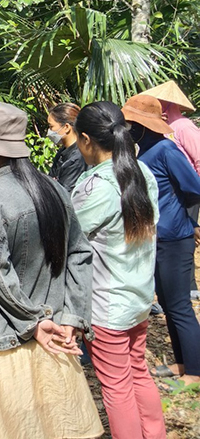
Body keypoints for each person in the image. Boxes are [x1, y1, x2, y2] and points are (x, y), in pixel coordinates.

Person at [0, 100, 102, 439]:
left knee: (13, 427)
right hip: (54, 334)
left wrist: (32, 319)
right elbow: (80, 253)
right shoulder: (55, 188)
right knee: (57, 425)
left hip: (5, 338)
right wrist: (73, 317)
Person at [72, 101, 166, 439]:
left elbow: (70, 236)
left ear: (85, 139)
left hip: (107, 307)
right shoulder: (143, 173)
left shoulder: (96, 186)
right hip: (138, 298)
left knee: (116, 386)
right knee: (138, 372)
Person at [122, 94, 200, 385]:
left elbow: (194, 187)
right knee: (168, 302)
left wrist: (187, 220)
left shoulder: (167, 149)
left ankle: (195, 371)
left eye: (130, 122)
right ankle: (183, 363)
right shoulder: (144, 151)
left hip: (174, 237)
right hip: (157, 236)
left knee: (179, 304)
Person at [47, 102, 88, 193]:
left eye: (51, 127)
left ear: (66, 127)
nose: (49, 131)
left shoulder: (77, 158)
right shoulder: (63, 151)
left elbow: (64, 193)